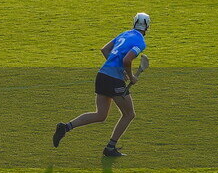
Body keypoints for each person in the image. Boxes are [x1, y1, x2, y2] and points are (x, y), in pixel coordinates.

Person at [53, 13, 151, 157]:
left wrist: (121, 71)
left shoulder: (124, 34)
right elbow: (127, 60)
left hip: (102, 75)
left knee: (101, 114)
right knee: (129, 114)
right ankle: (110, 147)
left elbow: (105, 50)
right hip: (113, 80)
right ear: (147, 26)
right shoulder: (140, 42)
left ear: (134, 23)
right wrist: (131, 77)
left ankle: (65, 127)